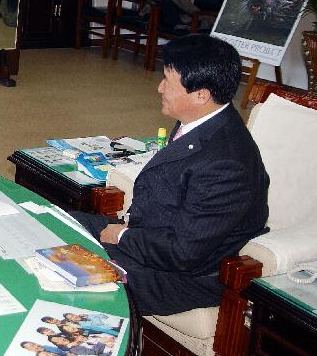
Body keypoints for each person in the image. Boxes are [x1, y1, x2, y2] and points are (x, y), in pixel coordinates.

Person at [70, 34, 269, 316]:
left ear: (202, 95)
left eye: (167, 81)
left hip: (180, 277)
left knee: (65, 272)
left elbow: (184, 254)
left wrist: (123, 235)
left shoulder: (226, 165)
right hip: (150, 239)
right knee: (55, 221)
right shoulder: (200, 121)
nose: (159, 87)